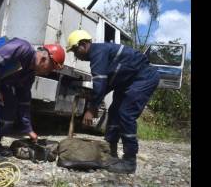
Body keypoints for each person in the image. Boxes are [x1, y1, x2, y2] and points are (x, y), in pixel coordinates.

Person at [66, 30, 160, 174]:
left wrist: (91, 110)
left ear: (83, 45)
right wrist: (93, 101)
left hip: (144, 77)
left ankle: (129, 161)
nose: (75, 55)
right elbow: (105, 85)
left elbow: (101, 85)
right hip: (127, 81)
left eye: (74, 50)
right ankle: (110, 152)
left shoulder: (98, 53)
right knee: (114, 112)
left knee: (126, 114)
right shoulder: (100, 54)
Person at [0, 36, 65, 162]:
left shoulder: (29, 74)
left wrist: (28, 129)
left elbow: (24, 101)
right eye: (50, 68)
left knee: (11, 103)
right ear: (44, 59)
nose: (48, 73)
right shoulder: (23, 48)